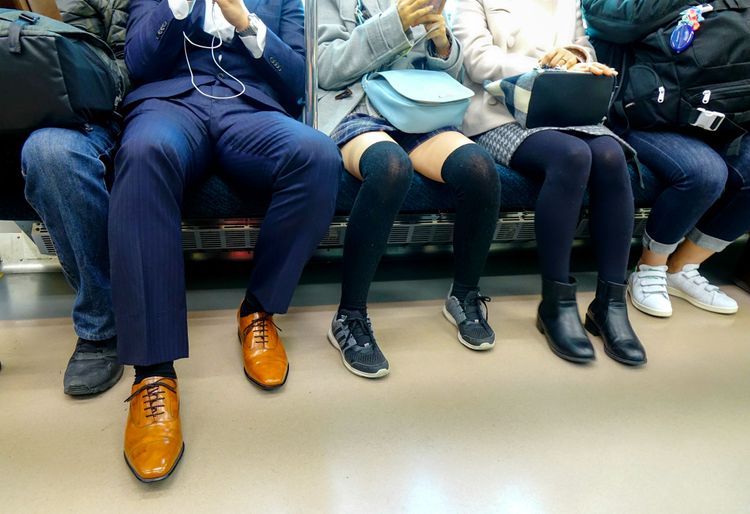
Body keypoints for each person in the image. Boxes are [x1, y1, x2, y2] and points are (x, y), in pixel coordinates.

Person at [112, 0, 341, 481]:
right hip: (169, 105)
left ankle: (258, 309)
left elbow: (297, 76)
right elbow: (137, 61)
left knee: (317, 155)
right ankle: (154, 373)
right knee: (142, 152)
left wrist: (245, 20)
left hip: (248, 108)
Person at [453, 0, 646, 366]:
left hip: (562, 108)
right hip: (498, 114)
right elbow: (476, 61)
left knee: (610, 156)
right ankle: (555, 303)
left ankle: (610, 303)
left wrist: (575, 56)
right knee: (572, 157)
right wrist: (545, 66)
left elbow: (582, 46)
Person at [317, 0, 501, 378]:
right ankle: (350, 315)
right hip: (356, 107)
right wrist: (395, 23)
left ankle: (463, 294)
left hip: (416, 109)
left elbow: (452, 75)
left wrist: (442, 42)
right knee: (389, 167)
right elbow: (326, 68)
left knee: (480, 169)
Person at [582, 0, 750, 318]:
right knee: (705, 173)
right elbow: (607, 19)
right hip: (645, 112)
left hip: (721, 109)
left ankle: (683, 267)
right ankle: (651, 266)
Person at [20, 0, 130, 396]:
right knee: (44, 150)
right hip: (68, 112)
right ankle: (101, 322)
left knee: (52, 154)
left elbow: (133, 66)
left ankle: (112, 320)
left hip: (132, 110)